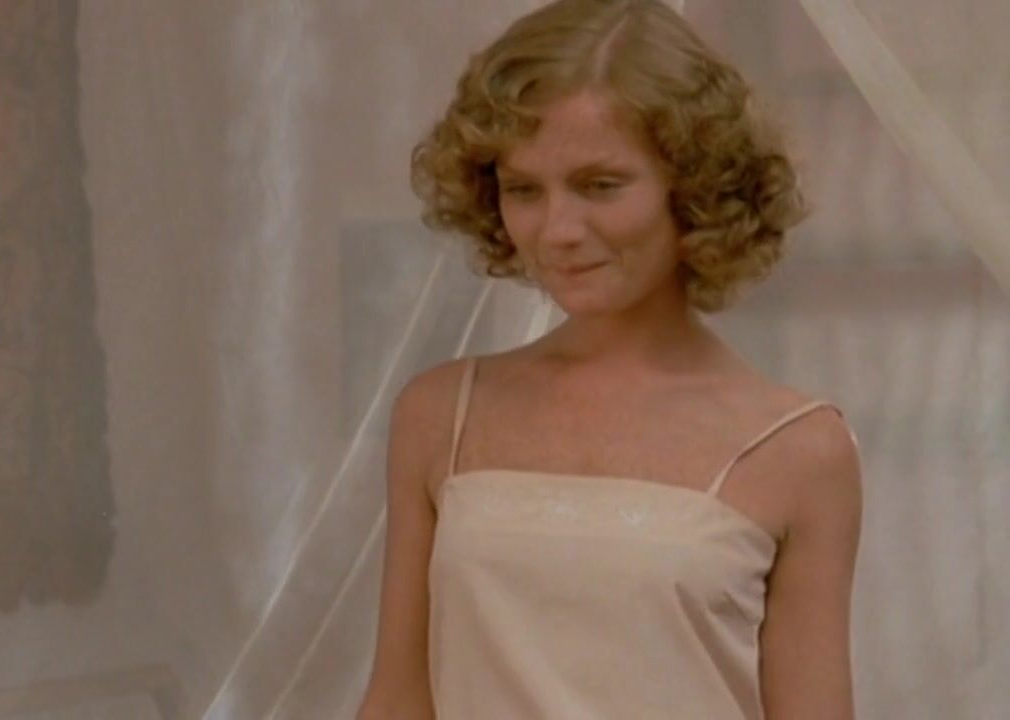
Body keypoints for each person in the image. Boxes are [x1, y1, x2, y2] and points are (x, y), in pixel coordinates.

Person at [356, 1, 863, 718]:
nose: (558, 230)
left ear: (695, 185)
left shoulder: (800, 449)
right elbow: (398, 700)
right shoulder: (440, 413)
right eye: (523, 189)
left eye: (600, 185)